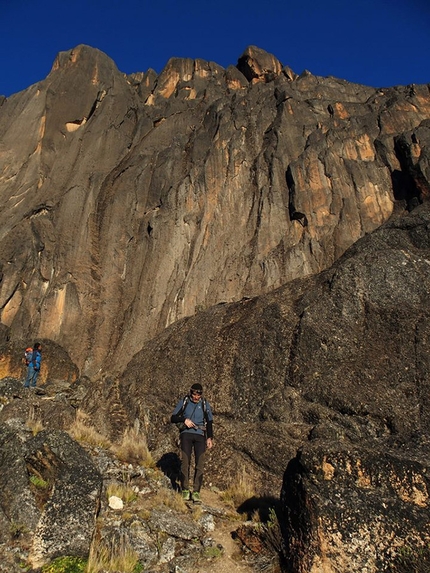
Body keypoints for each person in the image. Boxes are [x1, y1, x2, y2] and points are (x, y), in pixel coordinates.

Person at [171, 383, 213, 503]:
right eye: (194, 394)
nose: (196, 396)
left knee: (200, 463)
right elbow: (173, 417)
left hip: (200, 435)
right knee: (185, 461)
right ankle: (185, 489)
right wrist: (184, 420)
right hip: (186, 434)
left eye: (199, 394)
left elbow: (209, 421)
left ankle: (196, 492)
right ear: (191, 393)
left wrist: (210, 438)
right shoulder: (184, 401)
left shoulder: (204, 404)